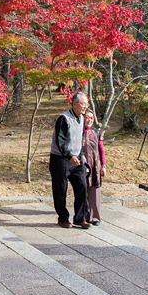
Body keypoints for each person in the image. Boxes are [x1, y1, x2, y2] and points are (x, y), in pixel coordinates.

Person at [50, 92, 91, 229]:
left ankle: (80, 218)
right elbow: (60, 142)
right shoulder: (64, 118)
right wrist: (69, 156)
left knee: (82, 186)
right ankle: (63, 218)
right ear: (74, 104)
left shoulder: (81, 119)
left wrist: (80, 155)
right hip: (61, 159)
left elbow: (79, 139)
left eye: (87, 104)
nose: (85, 107)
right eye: (83, 104)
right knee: (61, 189)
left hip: (77, 158)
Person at [82, 109, 106, 225]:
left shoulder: (96, 132)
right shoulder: (78, 132)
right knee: (81, 191)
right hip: (81, 165)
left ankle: (95, 217)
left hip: (94, 167)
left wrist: (103, 166)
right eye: (87, 117)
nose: (89, 119)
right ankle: (84, 216)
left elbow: (101, 150)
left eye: (91, 117)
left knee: (94, 191)